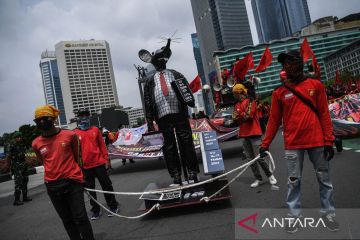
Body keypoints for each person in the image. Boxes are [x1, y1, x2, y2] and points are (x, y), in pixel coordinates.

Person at [259, 50, 338, 233]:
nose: (287, 66)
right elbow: (273, 121)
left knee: (324, 180)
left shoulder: (316, 85)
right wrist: (265, 144)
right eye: (284, 63)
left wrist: (329, 140)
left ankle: (329, 214)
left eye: (290, 62)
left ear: (299, 63)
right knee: (293, 182)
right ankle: (294, 216)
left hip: (318, 142)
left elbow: (325, 115)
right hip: (293, 145)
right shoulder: (279, 93)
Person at [141, 39, 199, 185]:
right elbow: (147, 102)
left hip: (179, 112)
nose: (161, 62)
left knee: (186, 142)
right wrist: (149, 121)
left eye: (163, 59)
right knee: (168, 146)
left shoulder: (176, 74)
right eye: (158, 60)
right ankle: (176, 175)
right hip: (161, 116)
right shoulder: (149, 81)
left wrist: (190, 102)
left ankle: (192, 172)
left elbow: (186, 91)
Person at [32, 105, 95, 240]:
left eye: (45, 118)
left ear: (53, 119)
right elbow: (44, 161)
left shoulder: (70, 135)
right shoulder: (36, 143)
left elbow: (77, 157)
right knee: (67, 220)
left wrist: (79, 176)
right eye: (38, 120)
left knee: (81, 218)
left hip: (73, 182)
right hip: (52, 185)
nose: (42, 122)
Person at [74, 109, 119, 220]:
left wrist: (106, 160)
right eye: (81, 115)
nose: (84, 117)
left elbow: (102, 146)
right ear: (78, 118)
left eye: (86, 115)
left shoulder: (95, 130)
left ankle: (113, 206)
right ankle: (95, 210)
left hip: (99, 163)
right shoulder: (74, 133)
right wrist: (77, 167)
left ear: (89, 117)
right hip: (85, 167)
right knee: (90, 190)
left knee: (107, 186)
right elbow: (74, 152)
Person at [232, 84, 277, 188]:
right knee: (249, 159)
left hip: (255, 133)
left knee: (260, 157)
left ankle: (270, 175)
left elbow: (249, 116)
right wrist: (240, 115)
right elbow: (234, 118)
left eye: (235, 93)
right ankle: (258, 178)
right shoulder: (236, 105)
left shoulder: (251, 101)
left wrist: (240, 115)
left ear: (240, 92)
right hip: (244, 134)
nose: (233, 95)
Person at [7, 131, 32, 206]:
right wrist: (9, 168)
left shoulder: (22, 145)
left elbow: (24, 155)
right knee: (18, 183)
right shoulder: (12, 146)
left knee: (25, 180)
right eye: (18, 137)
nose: (19, 138)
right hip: (17, 167)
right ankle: (16, 200)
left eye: (20, 136)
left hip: (23, 166)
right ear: (15, 138)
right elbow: (8, 158)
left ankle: (25, 197)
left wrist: (27, 161)